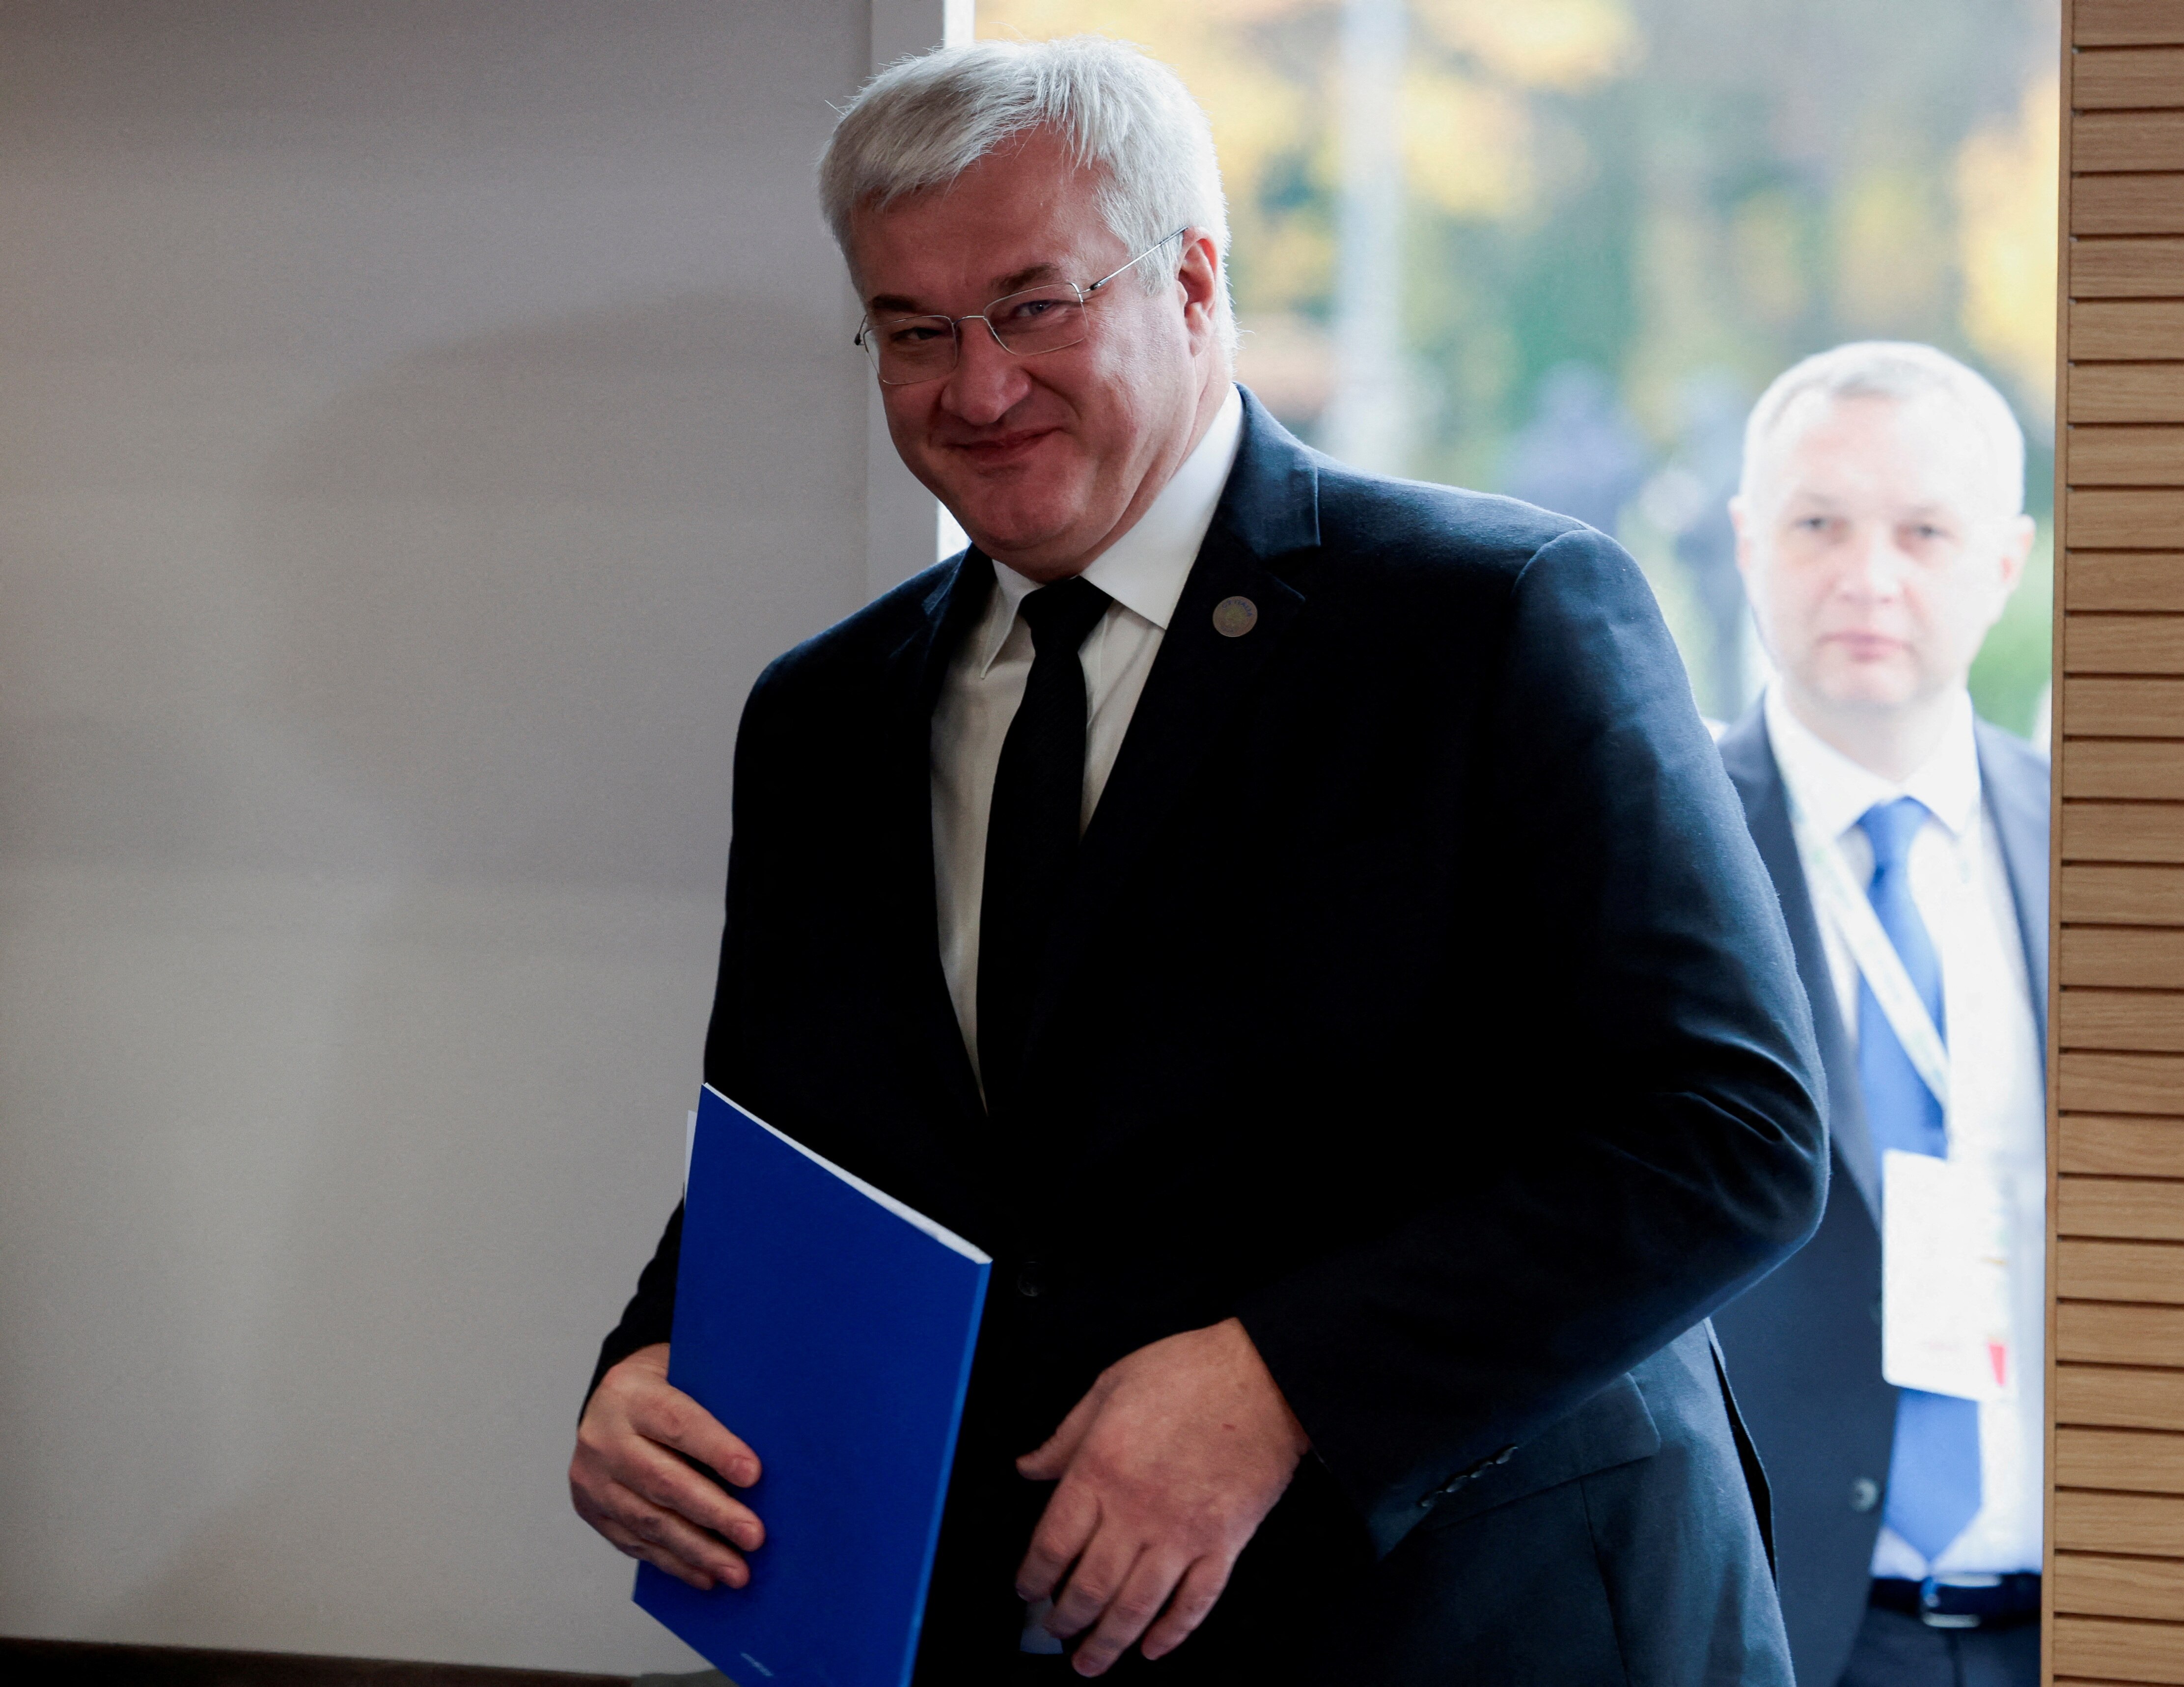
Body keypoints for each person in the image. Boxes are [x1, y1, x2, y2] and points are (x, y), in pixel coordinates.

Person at [569, 37, 1828, 1687]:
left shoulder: (1492, 619)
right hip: (1020, 1634)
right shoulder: (824, 716)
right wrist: (647, 1367)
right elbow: (804, 1152)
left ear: (1192, 279)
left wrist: (1285, 1377)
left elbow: (1732, 1132)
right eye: (913, 330)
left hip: (1478, 1620)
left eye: (1034, 305)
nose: (976, 385)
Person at [1708, 343, 2048, 1687]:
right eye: (1817, 524)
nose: (1868, 575)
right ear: (1746, 541)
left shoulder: (2094, 848)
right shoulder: (1653, 843)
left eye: (1923, 530)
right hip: (1780, 1624)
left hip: (2081, 1615)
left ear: (2006, 561)